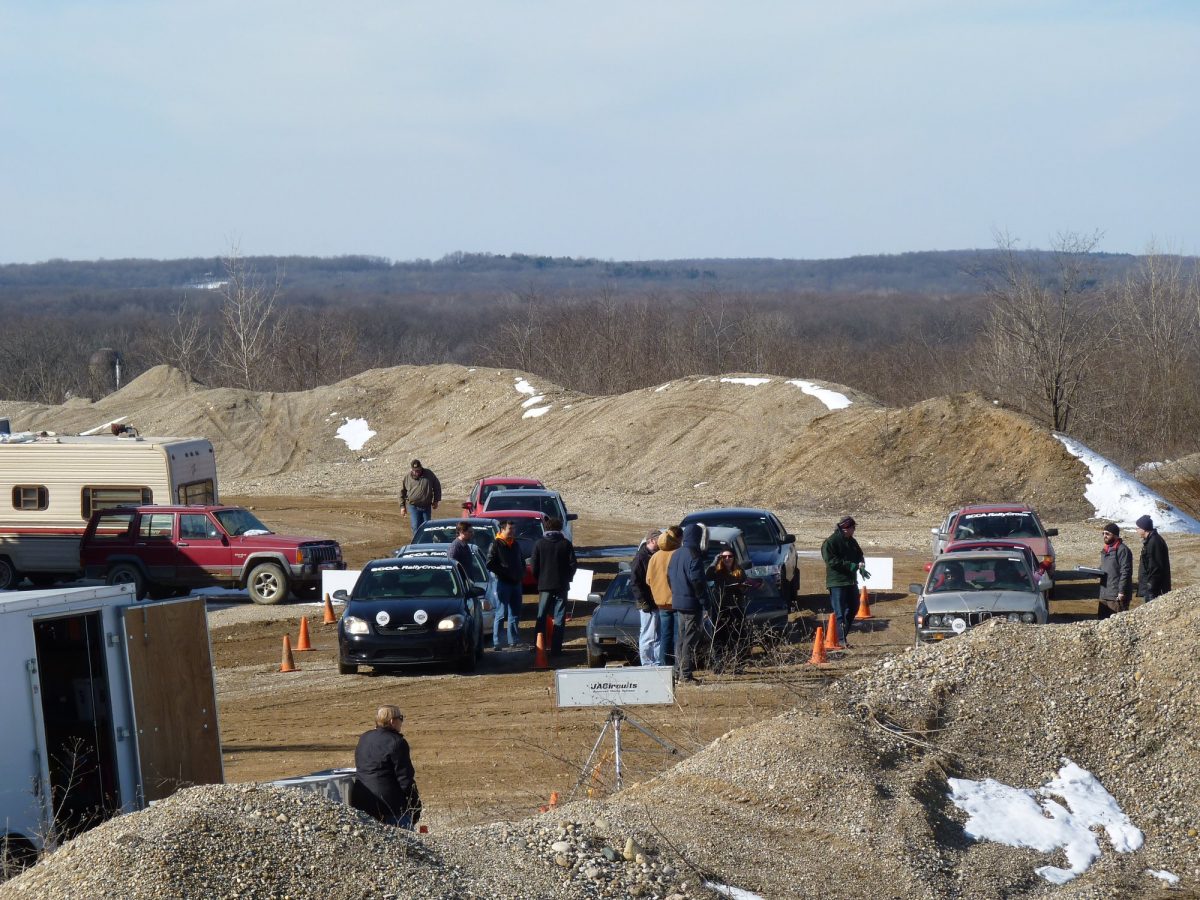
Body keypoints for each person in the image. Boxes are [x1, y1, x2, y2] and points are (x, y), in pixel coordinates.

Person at [352, 705, 420, 829]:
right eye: (401, 718)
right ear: (392, 721)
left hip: (362, 800)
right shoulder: (397, 742)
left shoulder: (364, 737)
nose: (401, 722)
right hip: (390, 806)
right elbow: (405, 779)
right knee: (405, 839)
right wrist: (415, 804)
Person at [667, 523, 708, 684]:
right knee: (689, 640)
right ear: (697, 537)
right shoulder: (694, 554)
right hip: (692, 603)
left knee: (681, 638)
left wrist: (676, 593)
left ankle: (678, 672)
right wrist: (703, 601)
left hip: (678, 601)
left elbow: (669, 577)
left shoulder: (676, 553)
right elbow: (697, 581)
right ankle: (686, 674)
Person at [531, 516, 577, 656]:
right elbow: (573, 564)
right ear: (559, 529)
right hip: (561, 585)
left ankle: (538, 645)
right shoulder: (566, 544)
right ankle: (556, 649)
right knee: (560, 617)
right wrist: (567, 578)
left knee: (541, 616)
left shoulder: (539, 544)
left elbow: (534, 566)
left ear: (546, 528)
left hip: (545, 585)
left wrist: (540, 579)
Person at [822, 515, 865, 644]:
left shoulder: (852, 541)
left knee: (853, 608)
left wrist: (861, 564)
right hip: (837, 582)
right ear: (846, 528)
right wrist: (850, 565)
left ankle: (841, 635)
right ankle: (840, 640)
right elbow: (831, 561)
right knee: (839, 612)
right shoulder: (830, 542)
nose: (854, 530)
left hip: (851, 581)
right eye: (853, 528)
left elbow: (859, 554)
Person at [705, 550, 747, 673]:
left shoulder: (739, 571)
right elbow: (707, 576)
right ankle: (719, 665)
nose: (727, 558)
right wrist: (715, 561)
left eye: (730, 556)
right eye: (724, 557)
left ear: (734, 558)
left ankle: (738, 665)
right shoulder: (717, 571)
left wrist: (743, 588)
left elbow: (744, 586)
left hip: (736, 606)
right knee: (719, 637)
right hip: (720, 608)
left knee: (737, 637)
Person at [646, 526, 682, 668]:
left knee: (665, 636)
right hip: (677, 601)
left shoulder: (654, 557)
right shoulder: (678, 554)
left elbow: (648, 580)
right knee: (678, 636)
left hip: (661, 603)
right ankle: (678, 665)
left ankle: (664, 665)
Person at [486, 519, 524, 648]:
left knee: (515, 613)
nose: (513, 531)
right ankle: (497, 642)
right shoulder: (495, 544)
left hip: (516, 583)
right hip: (503, 583)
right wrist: (504, 572)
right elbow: (489, 563)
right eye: (510, 529)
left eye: (514, 529)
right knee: (501, 613)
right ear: (502, 529)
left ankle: (513, 640)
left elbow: (521, 560)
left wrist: (521, 573)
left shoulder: (515, 544)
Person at [630, 529, 662, 667]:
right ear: (652, 540)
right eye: (659, 540)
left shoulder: (656, 555)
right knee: (648, 635)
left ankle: (658, 662)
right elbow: (634, 582)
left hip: (658, 602)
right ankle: (647, 664)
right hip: (647, 603)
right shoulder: (640, 557)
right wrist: (643, 601)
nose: (661, 542)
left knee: (658, 635)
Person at [1098, 522, 1133, 618]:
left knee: (1117, 623)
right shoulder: (1105, 549)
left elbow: (1126, 572)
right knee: (1102, 622)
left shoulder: (1123, 550)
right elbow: (1105, 568)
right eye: (1103, 533)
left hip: (1116, 596)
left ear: (1116, 535)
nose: (1104, 536)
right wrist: (1092, 572)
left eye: (1107, 534)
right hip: (1104, 594)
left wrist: (1121, 591)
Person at [1135, 515, 1171, 603]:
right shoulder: (1151, 540)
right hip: (1151, 588)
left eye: (1138, 528)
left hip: (1153, 589)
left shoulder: (1154, 542)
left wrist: (1151, 585)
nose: (1136, 530)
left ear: (1144, 529)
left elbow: (1155, 566)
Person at [400, 459, 441, 533]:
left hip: (426, 506)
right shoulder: (407, 477)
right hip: (413, 506)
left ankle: (427, 540)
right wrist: (402, 507)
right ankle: (416, 540)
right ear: (412, 469)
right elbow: (401, 492)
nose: (417, 472)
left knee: (427, 527)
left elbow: (437, 486)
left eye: (419, 470)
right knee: (415, 526)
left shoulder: (429, 474)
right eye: (415, 470)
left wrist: (436, 501)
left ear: (421, 467)